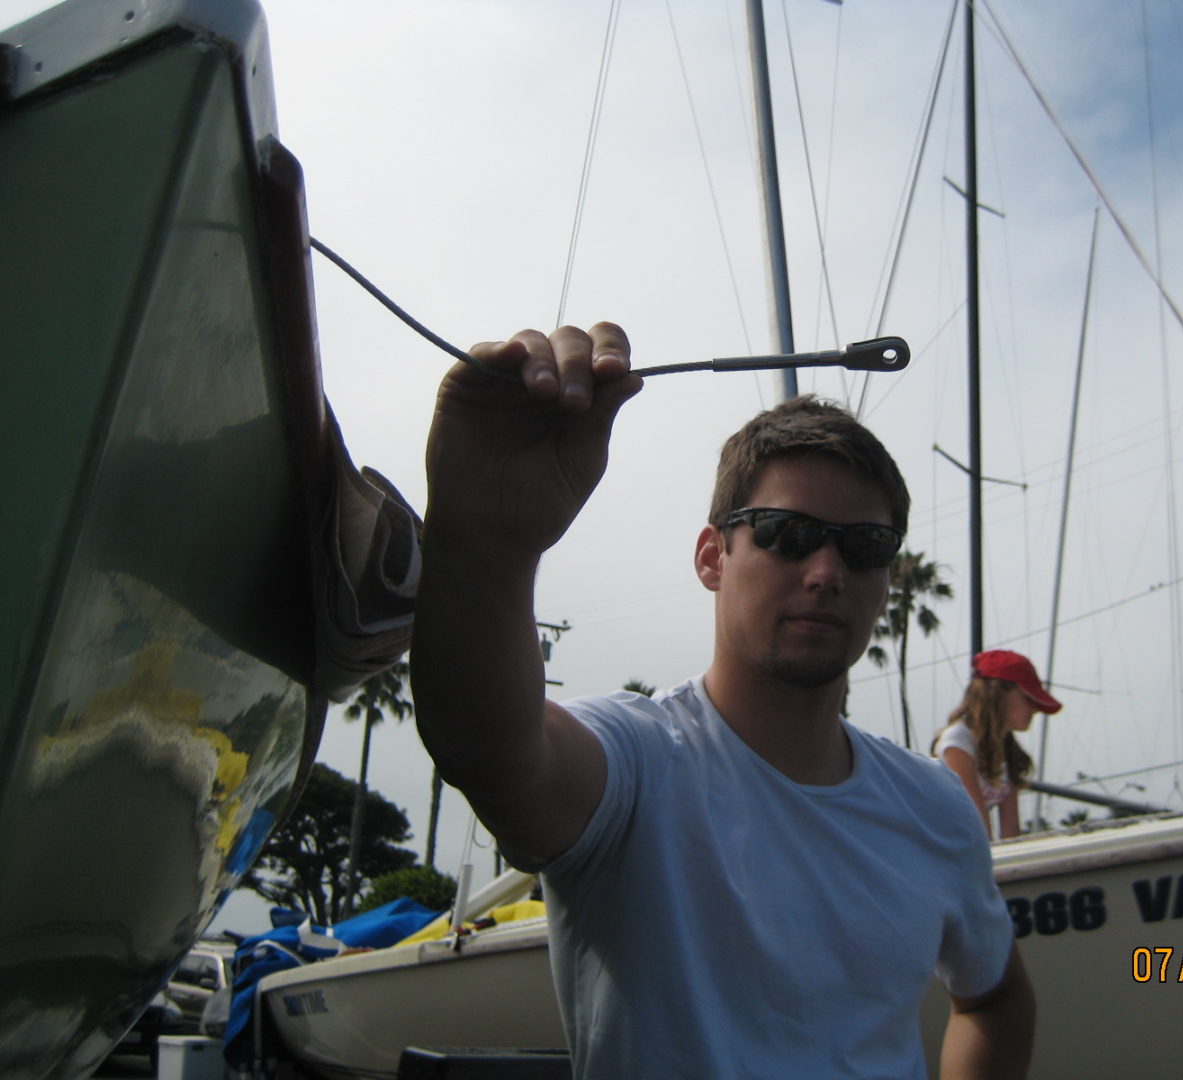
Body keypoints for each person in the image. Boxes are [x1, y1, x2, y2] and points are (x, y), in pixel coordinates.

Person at [412, 323, 1034, 1079]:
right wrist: (484, 542)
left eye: (864, 547)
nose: (827, 571)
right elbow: (491, 751)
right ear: (713, 557)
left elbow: (995, 999)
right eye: (788, 533)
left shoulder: (935, 809)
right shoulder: (638, 765)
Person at [933, 651, 1062, 841]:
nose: (1035, 709)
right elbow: (978, 827)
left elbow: (1011, 833)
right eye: (1028, 699)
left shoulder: (1007, 751)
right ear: (998, 694)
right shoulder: (957, 741)